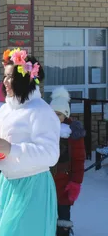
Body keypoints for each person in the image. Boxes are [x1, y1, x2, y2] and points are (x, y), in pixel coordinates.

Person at [0, 48, 60, 236]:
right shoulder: (4, 110)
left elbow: (51, 154)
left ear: (24, 79)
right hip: (7, 184)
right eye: (4, 76)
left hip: (33, 186)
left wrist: (12, 149)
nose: (5, 82)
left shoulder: (40, 111)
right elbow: (3, 146)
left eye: (10, 77)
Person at [49, 86, 86, 236]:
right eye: (52, 114)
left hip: (65, 182)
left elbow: (78, 159)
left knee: (63, 211)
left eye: (59, 114)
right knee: (48, 211)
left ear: (65, 115)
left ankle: (63, 231)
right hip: (48, 180)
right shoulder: (45, 130)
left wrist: (76, 182)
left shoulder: (72, 135)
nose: (55, 117)